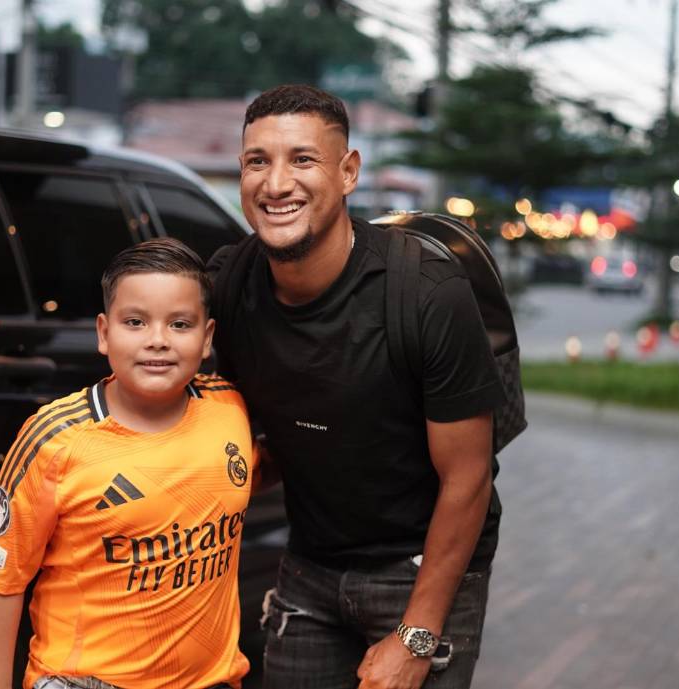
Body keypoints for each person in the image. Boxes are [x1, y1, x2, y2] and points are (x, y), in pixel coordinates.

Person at [210, 84, 505, 689]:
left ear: (347, 173)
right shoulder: (230, 284)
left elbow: (469, 477)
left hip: (422, 564)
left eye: (302, 159)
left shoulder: (423, 293)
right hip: (311, 561)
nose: (275, 183)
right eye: (257, 161)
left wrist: (417, 636)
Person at [0, 238, 258, 689]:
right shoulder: (57, 440)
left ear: (207, 338)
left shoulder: (229, 407)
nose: (157, 341)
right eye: (135, 322)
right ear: (104, 333)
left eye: (180, 324)